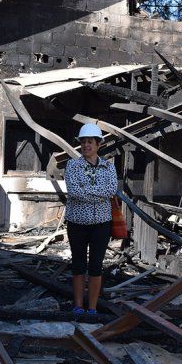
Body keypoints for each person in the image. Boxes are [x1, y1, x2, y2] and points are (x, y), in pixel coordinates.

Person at [64, 123, 118, 315]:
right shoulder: (72, 166)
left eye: (90, 142)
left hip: (101, 225)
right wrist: (97, 194)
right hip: (77, 223)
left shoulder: (108, 167)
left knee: (96, 266)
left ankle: (92, 308)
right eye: (83, 142)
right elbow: (74, 191)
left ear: (98, 144)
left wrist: (86, 192)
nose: (86, 145)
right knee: (78, 264)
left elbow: (111, 190)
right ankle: (78, 306)